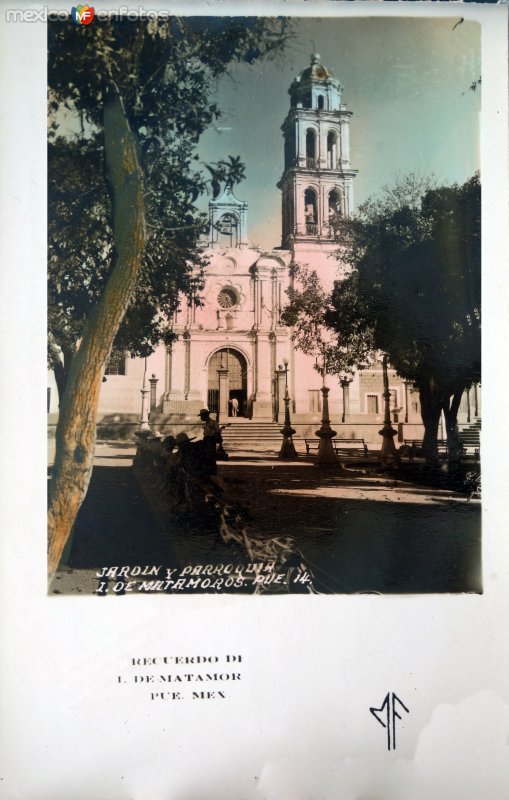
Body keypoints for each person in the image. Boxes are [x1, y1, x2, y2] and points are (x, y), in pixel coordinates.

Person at [198, 408, 222, 475]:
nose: (201, 418)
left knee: (211, 458)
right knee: (206, 458)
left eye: (202, 416)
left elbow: (218, 433)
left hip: (211, 443)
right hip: (206, 442)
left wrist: (219, 444)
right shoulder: (205, 424)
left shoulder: (213, 423)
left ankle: (213, 473)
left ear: (206, 415)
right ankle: (208, 473)